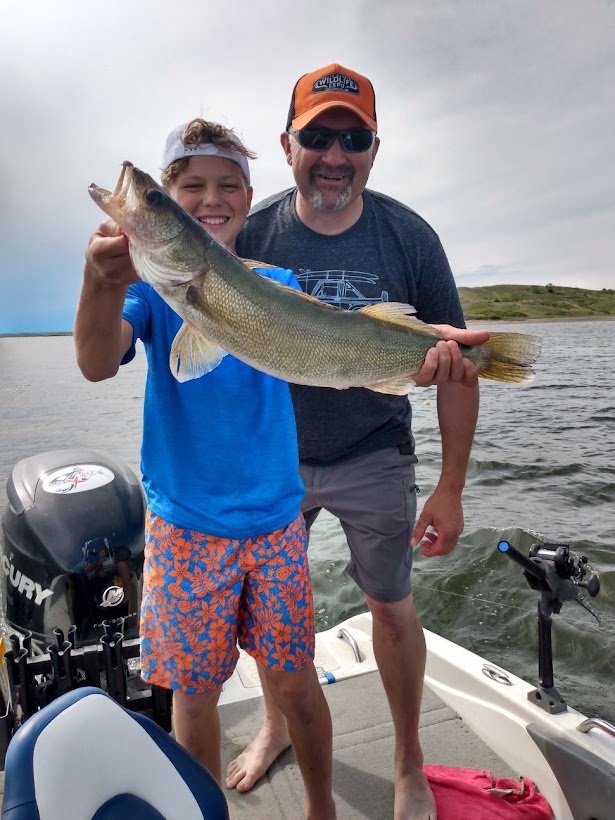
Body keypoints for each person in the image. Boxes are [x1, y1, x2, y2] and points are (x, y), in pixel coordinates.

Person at [226, 64, 490, 820]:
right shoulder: (251, 231)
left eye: (353, 137)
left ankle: (408, 762)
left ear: (374, 148)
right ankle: (276, 723)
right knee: (270, 613)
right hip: (274, 459)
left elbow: (459, 366)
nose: (334, 154)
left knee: (392, 605)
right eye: (317, 136)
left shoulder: (410, 236)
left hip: (376, 454)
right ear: (287, 144)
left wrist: (449, 486)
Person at [73, 118, 337, 819]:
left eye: (226, 185)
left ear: (248, 198)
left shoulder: (278, 281)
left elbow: (341, 342)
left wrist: (421, 354)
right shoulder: (150, 293)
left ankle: (321, 809)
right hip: (186, 530)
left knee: (294, 683)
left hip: (277, 523)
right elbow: (97, 363)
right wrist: (98, 284)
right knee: (194, 696)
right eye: (182, 190)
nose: (208, 198)